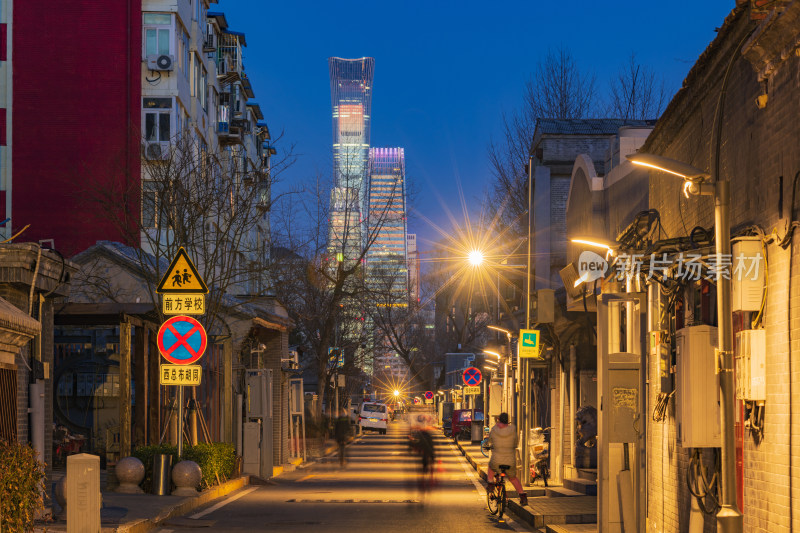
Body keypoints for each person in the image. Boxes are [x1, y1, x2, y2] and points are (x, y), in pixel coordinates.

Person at [486, 412, 527, 506]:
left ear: (498, 419)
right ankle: (522, 496)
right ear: (507, 421)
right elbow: (516, 442)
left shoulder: (494, 429)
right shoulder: (513, 430)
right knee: (513, 478)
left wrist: (492, 445)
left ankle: (491, 485)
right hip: (510, 460)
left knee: (491, 467)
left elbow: (490, 441)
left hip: (496, 459)